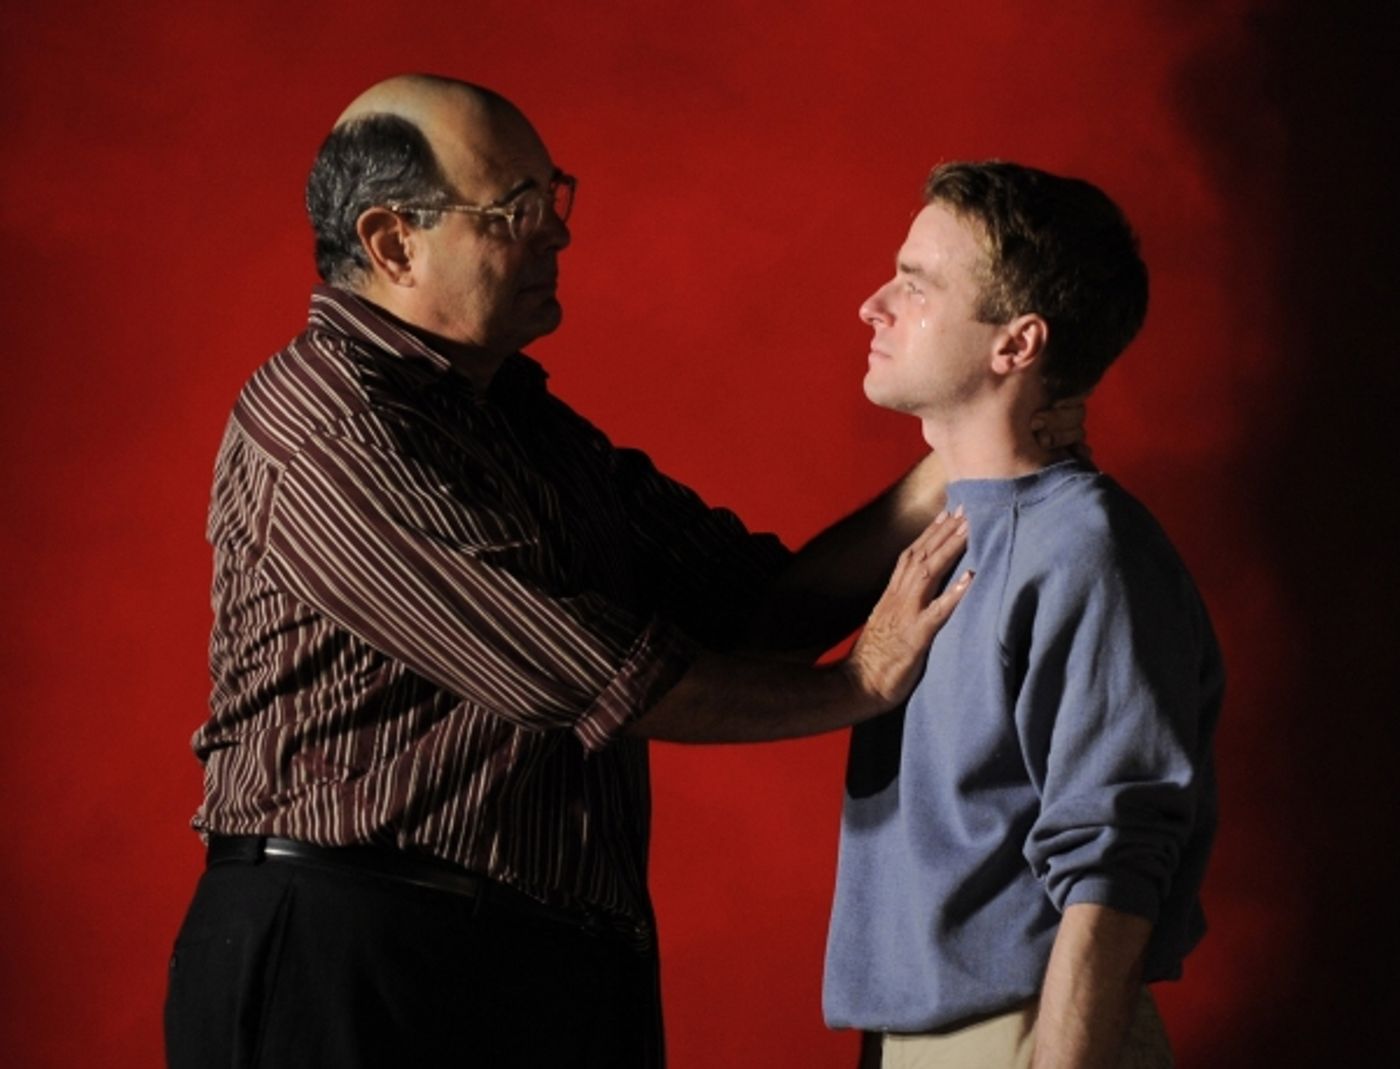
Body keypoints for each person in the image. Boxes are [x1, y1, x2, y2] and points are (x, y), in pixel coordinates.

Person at [163, 75, 1084, 1069]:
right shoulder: (326, 429)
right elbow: (593, 672)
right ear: (393, 244)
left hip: (532, 965)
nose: (555, 233)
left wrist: (969, 450)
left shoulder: (518, 421)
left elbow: (750, 604)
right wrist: (854, 685)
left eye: (554, 194)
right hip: (351, 957)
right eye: (517, 209)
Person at [823, 161, 1223, 1069]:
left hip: (1022, 1035)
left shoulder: (1087, 549)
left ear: (1017, 344)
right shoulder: (957, 532)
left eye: (917, 286)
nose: (874, 305)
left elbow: (1116, 864)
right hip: (916, 1038)